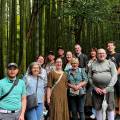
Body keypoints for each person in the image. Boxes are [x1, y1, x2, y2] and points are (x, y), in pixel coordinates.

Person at [88, 49, 117, 120]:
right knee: (98, 108)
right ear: (97, 55)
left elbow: (114, 76)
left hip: (109, 90)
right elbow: (89, 77)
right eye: (99, 53)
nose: (101, 55)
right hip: (97, 90)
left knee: (110, 108)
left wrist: (107, 89)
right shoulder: (92, 64)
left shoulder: (111, 63)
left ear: (106, 55)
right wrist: (95, 88)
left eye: (103, 53)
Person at [106, 41, 120, 117]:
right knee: (111, 95)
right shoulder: (106, 56)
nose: (110, 47)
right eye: (108, 46)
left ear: (114, 47)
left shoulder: (118, 55)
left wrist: (115, 75)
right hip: (109, 79)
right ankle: (113, 112)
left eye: (111, 45)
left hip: (117, 78)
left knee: (119, 94)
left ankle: (119, 112)